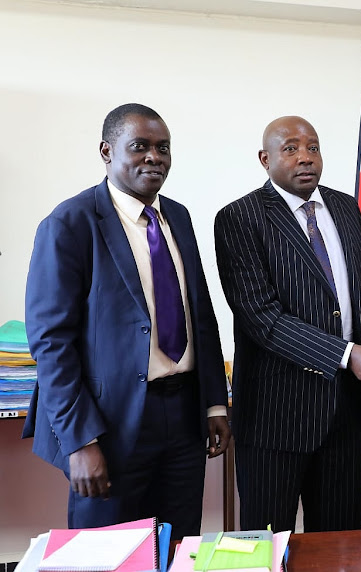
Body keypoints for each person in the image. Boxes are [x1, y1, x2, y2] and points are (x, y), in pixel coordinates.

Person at [22, 103, 230, 540]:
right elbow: (50, 342)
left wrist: (213, 402)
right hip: (110, 424)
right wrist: (80, 441)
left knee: (176, 545)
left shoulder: (179, 216)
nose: (154, 157)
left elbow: (200, 316)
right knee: (109, 551)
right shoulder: (71, 223)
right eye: (140, 147)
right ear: (106, 151)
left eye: (163, 148)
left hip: (183, 415)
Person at [214, 116, 361, 533]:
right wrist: (347, 354)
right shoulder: (239, 218)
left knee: (338, 545)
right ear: (265, 159)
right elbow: (263, 319)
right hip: (275, 416)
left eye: (312, 147)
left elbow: (345, 290)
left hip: (343, 413)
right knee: (268, 541)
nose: (305, 158)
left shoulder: (346, 207)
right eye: (291, 148)